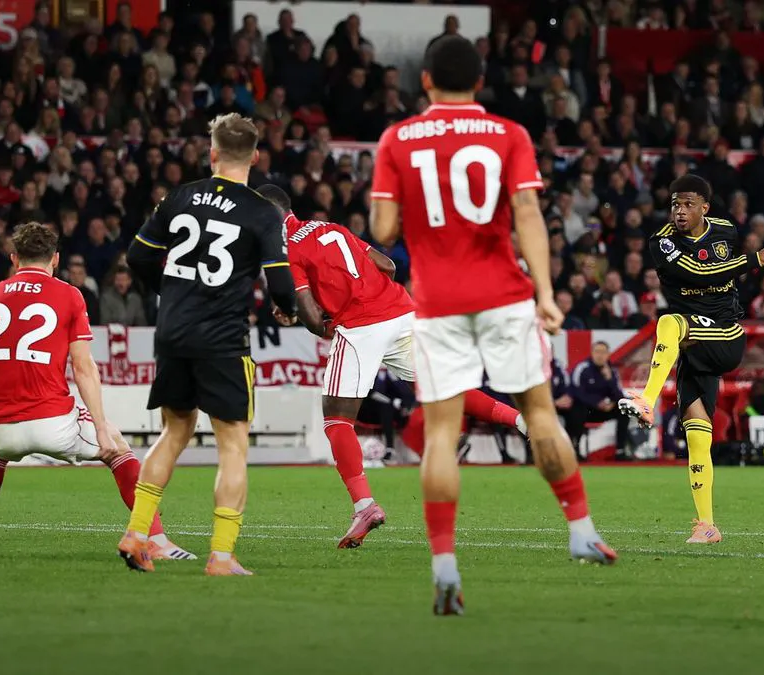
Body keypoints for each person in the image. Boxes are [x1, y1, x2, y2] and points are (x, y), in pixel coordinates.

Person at [369, 35, 617, 615]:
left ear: (425, 81)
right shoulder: (509, 134)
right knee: (539, 413)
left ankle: (445, 568)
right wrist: (548, 293)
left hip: (437, 304)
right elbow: (528, 212)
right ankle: (581, 531)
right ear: (480, 82)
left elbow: (382, 229)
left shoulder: (397, 139)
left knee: (438, 432)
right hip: (504, 297)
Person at [256, 184, 527, 547]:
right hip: (400, 312)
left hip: (360, 326)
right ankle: (522, 420)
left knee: (337, 418)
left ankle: (364, 504)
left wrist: (322, 325)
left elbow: (305, 307)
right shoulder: (331, 227)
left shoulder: (287, 249)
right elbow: (388, 265)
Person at [120, 114, 298, 576]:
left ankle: (137, 532)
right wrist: (289, 310)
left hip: (174, 332)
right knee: (233, 447)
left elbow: (138, 255)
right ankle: (221, 555)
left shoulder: (179, 196)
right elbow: (280, 284)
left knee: (172, 433)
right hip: (222, 339)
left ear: (212, 152)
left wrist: (173, 291)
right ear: (255, 156)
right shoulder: (261, 210)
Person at [0, 223, 193, 561]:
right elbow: (83, 368)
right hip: (51, 421)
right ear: (55, 259)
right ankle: (153, 538)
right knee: (117, 448)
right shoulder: (69, 294)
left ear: (13, 258)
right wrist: (99, 428)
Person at [620, 175, 764, 545]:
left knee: (667, 322)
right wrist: (753, 261)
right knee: (696, 431)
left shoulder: (725, 229)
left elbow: (721, 275)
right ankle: (707, 524)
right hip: (693, 342)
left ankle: (646, 398)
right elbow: (701, 273)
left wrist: (747, 260)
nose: (679, 211)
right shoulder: (661, 241)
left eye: (688, 204)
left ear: (705, 207)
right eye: (675, 204)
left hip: (724, 335)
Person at [567, 341, 630, 459]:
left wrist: (610, 379)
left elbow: (619, 395)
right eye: (597, 352)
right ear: (592, 353)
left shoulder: (612, 371)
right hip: (587, 408)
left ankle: (620, 450)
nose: (600, 355)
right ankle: (576, 450)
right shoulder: (583, 368)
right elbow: (576, 391)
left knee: (624, 409)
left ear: (608, 354)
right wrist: (596, 403)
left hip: (605, 409)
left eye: (603, 352)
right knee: (576, 409)